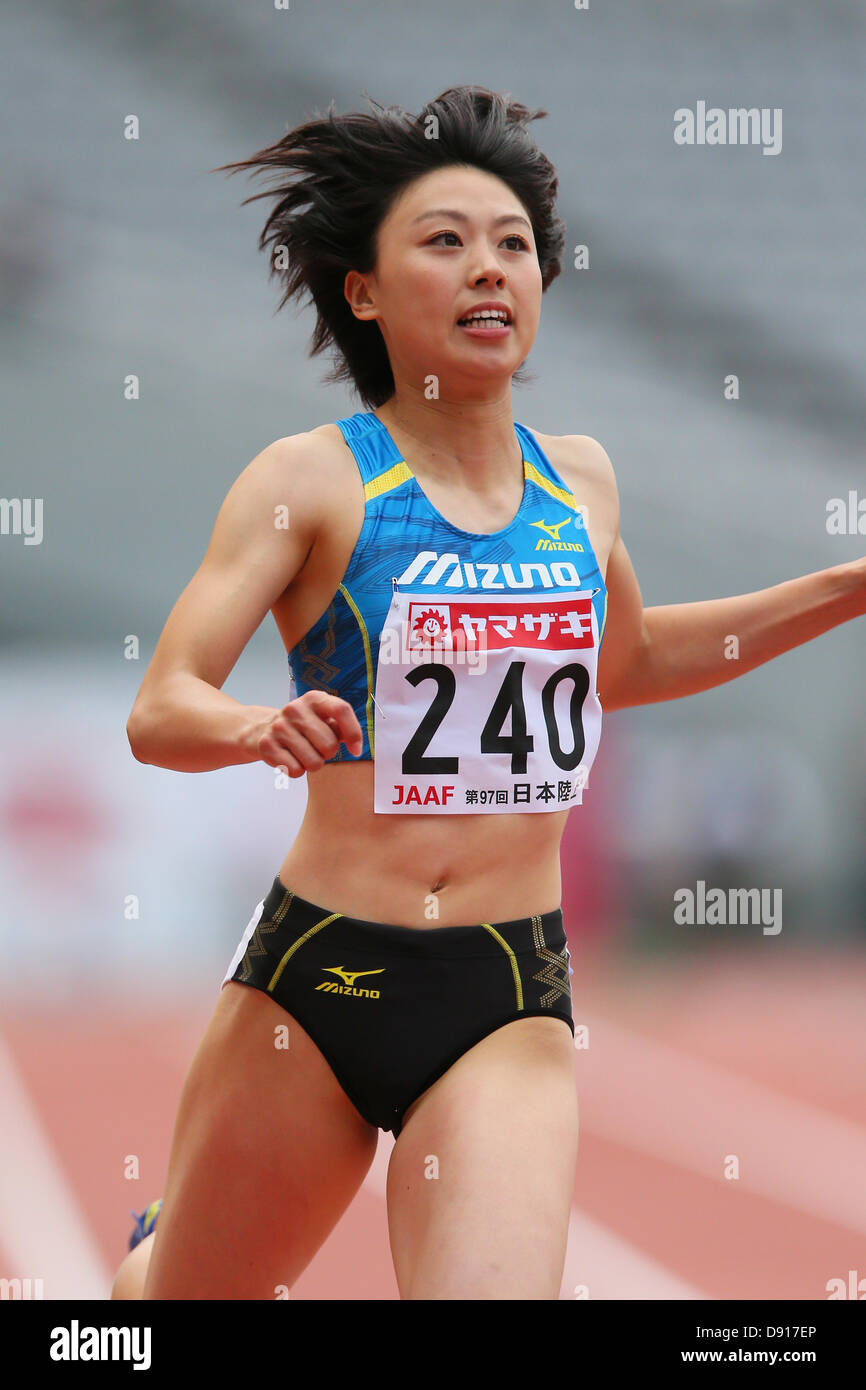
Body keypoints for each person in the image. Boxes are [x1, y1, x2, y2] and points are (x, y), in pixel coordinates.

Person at [116, 86, 865, 1301]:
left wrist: (846, 583)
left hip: (506, 990)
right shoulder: (310, 481)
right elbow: (161, 709)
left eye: (512, 245)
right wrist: (261, 724)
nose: (490, 270)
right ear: (363, 292)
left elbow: (624, 664)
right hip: (315, 981)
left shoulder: (581, 483)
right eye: (445, 241)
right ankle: (150, 1261)